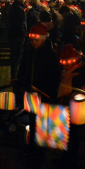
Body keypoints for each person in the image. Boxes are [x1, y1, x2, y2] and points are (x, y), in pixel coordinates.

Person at [15, 22, 60, 154]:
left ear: (43, 39)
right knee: (32, 118)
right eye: (32, 40)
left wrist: (51, 91)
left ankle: (41, 145)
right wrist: (20, 82)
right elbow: (23, 69)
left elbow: (55, 75)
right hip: (30, 92)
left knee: (42, 119)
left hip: (44, 93)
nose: (34, 42)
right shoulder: (28, 53)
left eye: (37, 40)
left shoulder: (50, 55)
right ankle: (33, 144)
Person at [7, 0, 27, 79]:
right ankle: (15, 75)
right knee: (17, 55)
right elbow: (22, 23)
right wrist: (24, 32)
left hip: (12, 34)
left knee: (13, 54)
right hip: (18, 35)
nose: (25, 0)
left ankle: (13, 74)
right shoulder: (20, 9)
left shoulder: (12, 8)